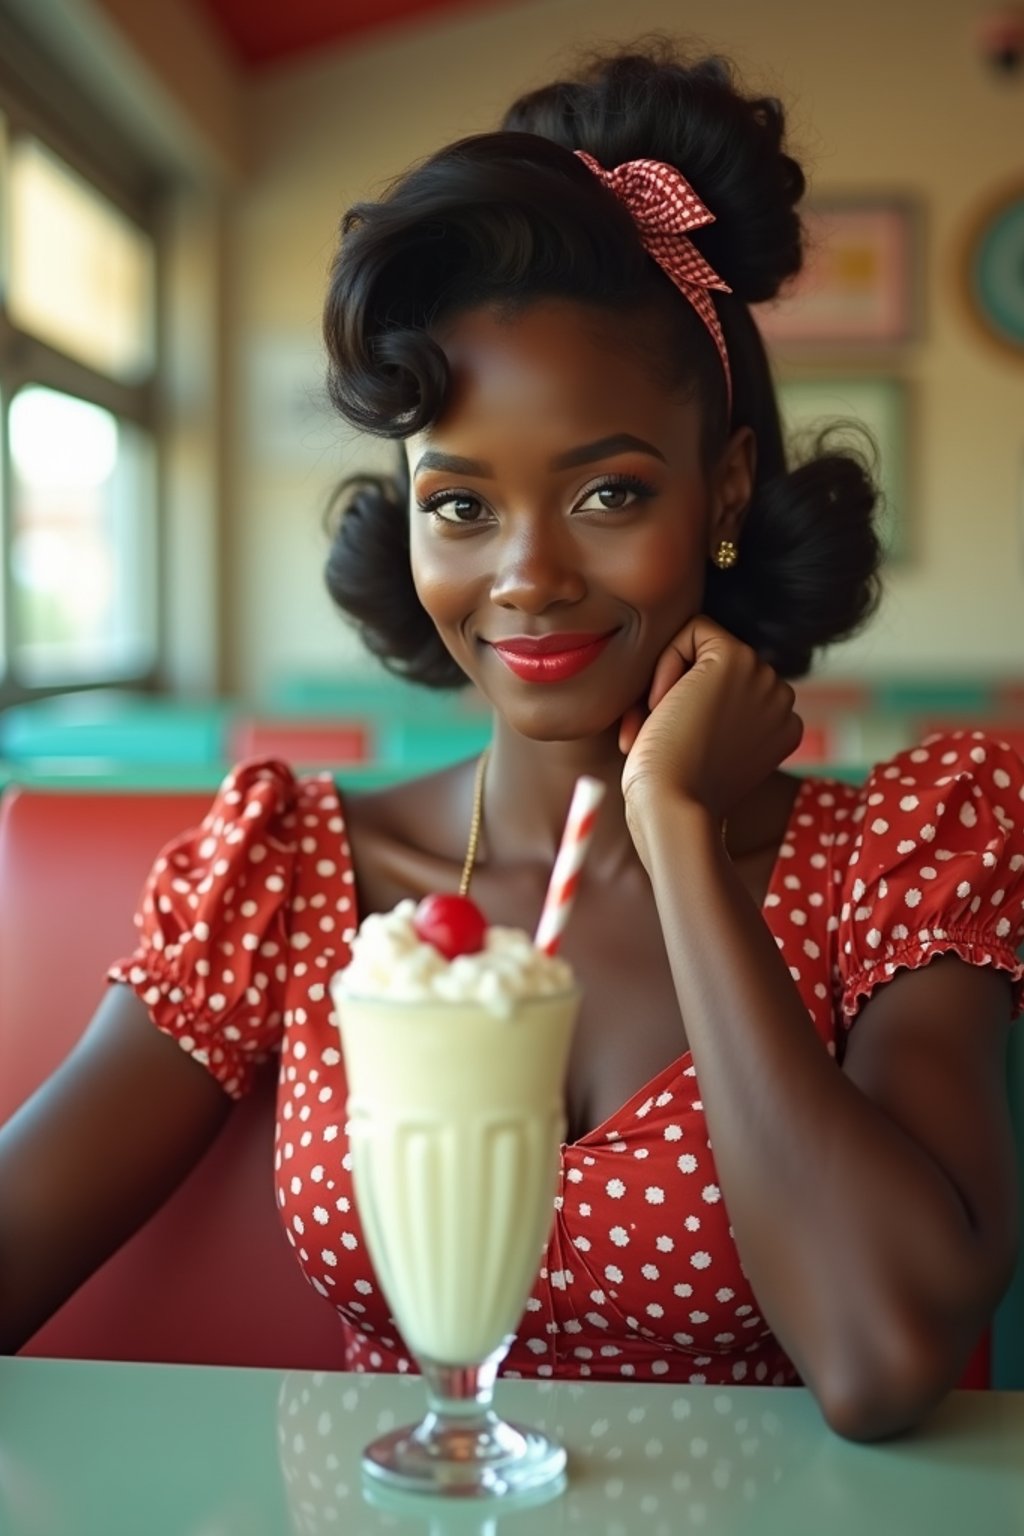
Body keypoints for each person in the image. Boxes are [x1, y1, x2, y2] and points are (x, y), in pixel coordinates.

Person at [1, 43, 1021, 1443]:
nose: (527, 575)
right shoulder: (294, 869)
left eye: (608, 490)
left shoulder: (894, 867)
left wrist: (675, 833)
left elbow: (884, 1353)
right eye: (463, 504)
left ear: (723, 485)